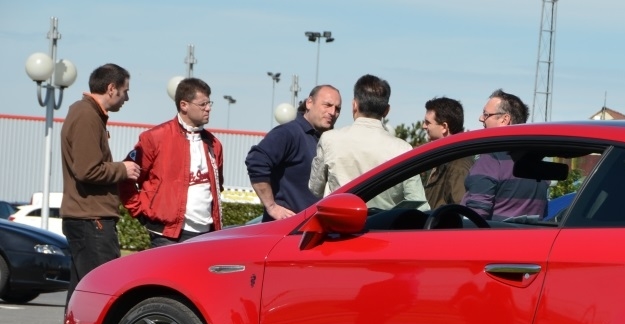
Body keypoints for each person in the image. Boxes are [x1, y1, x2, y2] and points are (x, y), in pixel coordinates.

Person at [57, 63, 140, 324]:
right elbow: (87, 169)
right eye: (125, 90)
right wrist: (124, 169)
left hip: (86, 218)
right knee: (104, 300)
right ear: (111, 88)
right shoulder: (87, 116)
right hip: (91, 221)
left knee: (81, 303)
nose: (127, 97)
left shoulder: (85, 114)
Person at [121, 78, 224, 247]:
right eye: (203, 104)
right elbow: (126, 178)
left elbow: (218, 187)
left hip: (206, 236)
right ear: (184, 105)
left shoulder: (214, 144)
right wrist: (140, 211)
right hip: (166, 236)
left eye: (209, 103)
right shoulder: (154, 138)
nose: (208, 108)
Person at [308, 74, 426, 208]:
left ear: (354, 105)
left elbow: (315, 188)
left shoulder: (330, 140)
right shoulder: (403, 149)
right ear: (386, 111)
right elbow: (418, 202)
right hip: (384, 226)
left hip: (339, 225)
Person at [245, 84, 341, 221]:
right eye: (327, 105)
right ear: (309, 103)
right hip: (287, 233)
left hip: (314, 231)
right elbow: (256, 161)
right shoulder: (289, 133)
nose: (332, 112)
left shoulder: (326, 141)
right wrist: (272, 207)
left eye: (337, 109)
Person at [461, 89, 548, 221]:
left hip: (493, 239)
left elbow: (474, 216)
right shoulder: (536, 161)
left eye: (486, 114)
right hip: (531, 238)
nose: (480, 118)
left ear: (504, 119)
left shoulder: (491, 159)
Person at [420, 96, 472, 209]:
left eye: (428, 122)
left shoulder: (458, 164)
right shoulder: (445, 156)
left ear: (444, 127)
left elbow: (460, 211)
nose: (424, 126)